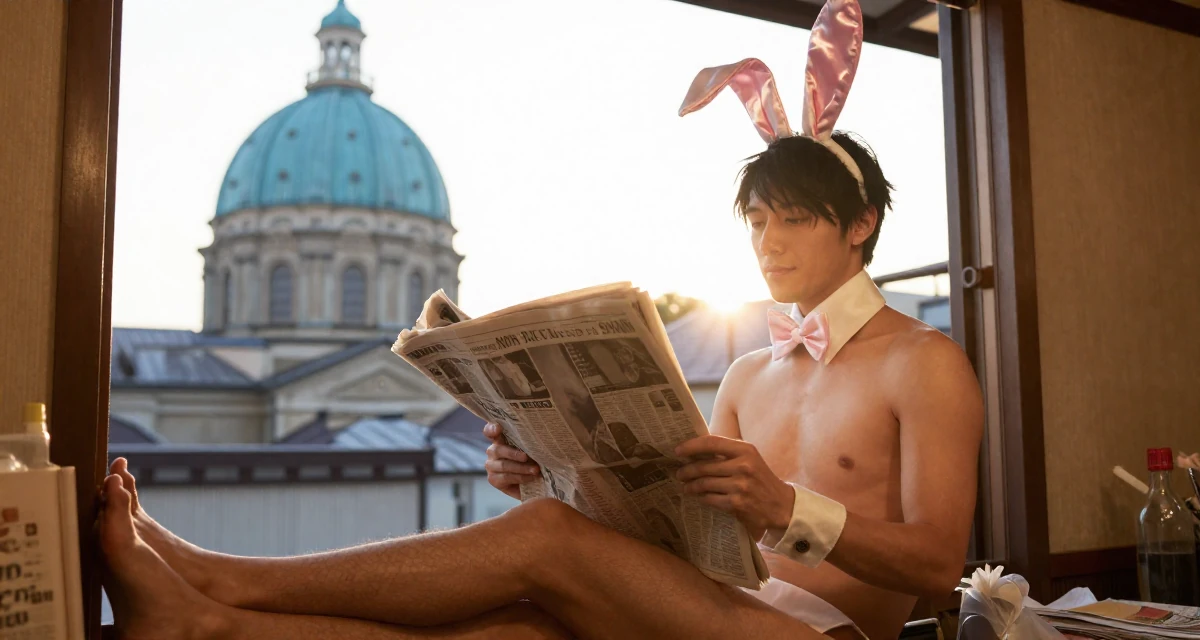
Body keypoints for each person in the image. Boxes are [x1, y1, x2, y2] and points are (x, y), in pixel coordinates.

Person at [98, 1, 982, 638]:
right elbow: (689, 542)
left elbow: (940, 566)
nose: (768, 242)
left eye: (793, 218)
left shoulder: (923, 362)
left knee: (546, 551)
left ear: (860, 224)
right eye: (756, 220)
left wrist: (786, 506)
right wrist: (554, 472)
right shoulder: (749, 373)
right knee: (516, 622)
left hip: (829, 636)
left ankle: (215, 573)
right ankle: (202, 622)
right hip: (722, 610)